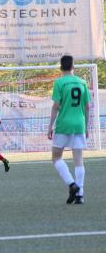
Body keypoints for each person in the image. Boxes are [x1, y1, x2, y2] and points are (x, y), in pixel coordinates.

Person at [47, 55, 90, 205]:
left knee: (56, 157)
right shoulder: (82, 83)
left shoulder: (59, 83)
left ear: (60, 67)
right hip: (79, 124)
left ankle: (72, 185)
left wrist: (50, 126)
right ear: (73, 67)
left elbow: (56, 106)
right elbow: (87, 107)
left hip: (64, 125)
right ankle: (80, 196)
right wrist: (87, 126)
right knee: (79, 160)